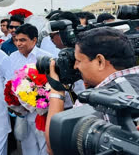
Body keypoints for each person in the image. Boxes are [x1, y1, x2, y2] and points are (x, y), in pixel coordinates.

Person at [45, 27, 139, 155]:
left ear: (100, 61)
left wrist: (57, 90)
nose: (75, 66)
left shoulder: (93, 102)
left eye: (78, 60)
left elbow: (53, 147)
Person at [9, 24, 52, 155]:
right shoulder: (12, 57)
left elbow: (51, 86)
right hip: (22, 112)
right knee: (27, 147)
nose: (18, 43)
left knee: (44, 147)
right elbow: (9, 82)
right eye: (16, 40)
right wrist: (15, 104)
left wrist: (38, 103)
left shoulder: (46, 57)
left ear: (34, 40)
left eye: (22, 40)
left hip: (42, 113)